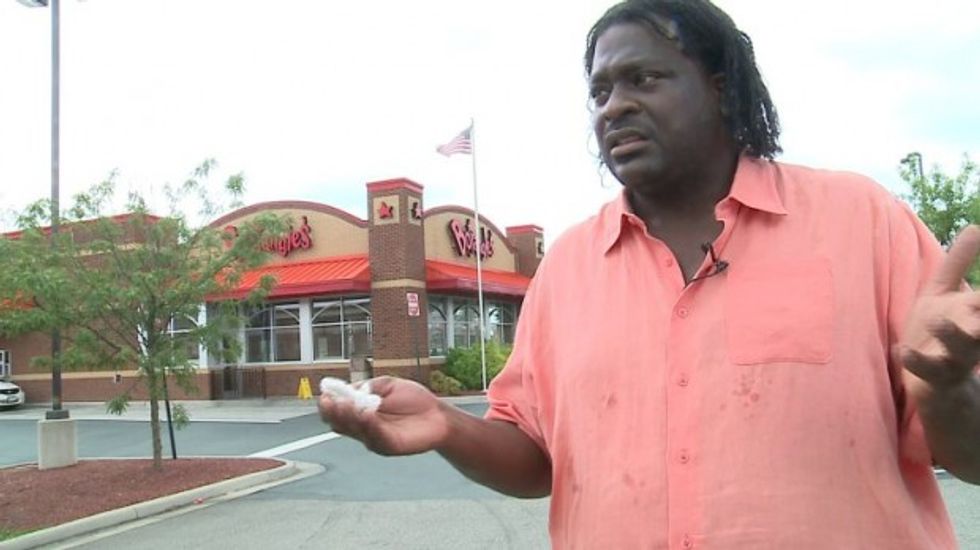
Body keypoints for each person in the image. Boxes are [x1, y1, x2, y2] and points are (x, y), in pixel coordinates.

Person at [319, 1, 980, 547]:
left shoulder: (862, 221)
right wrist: (446, 424)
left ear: (720, 87)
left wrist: (950, 391)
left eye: (644, 79)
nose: (614, 106)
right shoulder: (567, 269)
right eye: (601, 91)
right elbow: (535, 459)